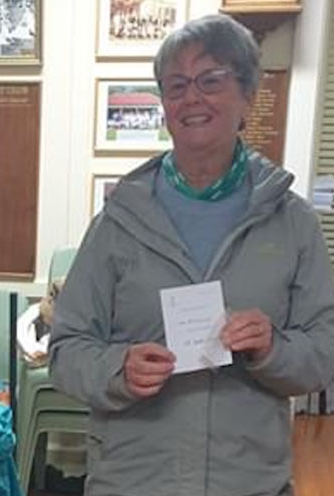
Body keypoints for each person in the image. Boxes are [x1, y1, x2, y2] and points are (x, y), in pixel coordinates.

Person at [49, 14, 334, 496]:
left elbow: (323, 354)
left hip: (247, 482)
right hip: (133, 482)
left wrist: (271, 348)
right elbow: (66, 349)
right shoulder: (119, 221)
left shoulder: (292, 222)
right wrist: (119, 368)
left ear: (248, 95)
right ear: (163, 105)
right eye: (176, 85)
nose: (192, 98)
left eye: (211, 80)